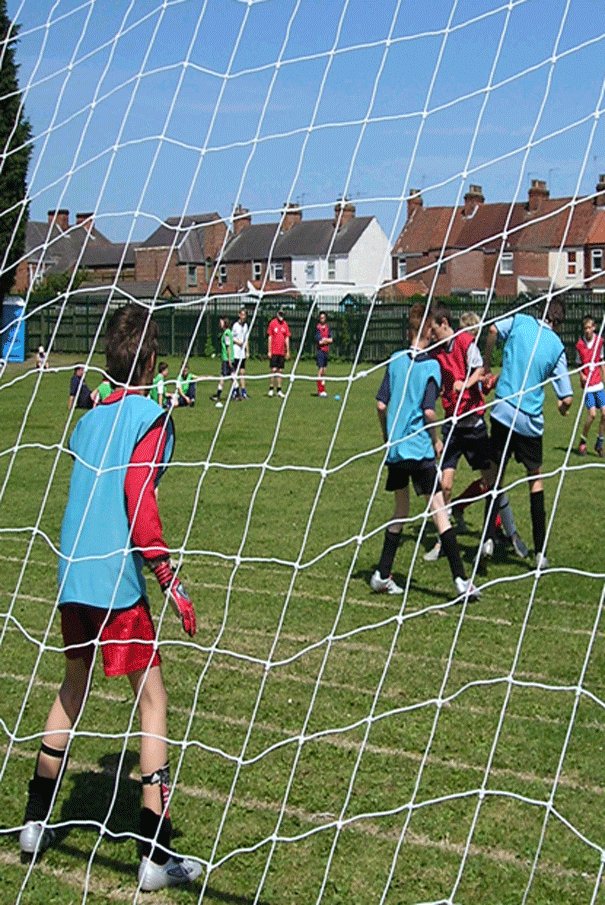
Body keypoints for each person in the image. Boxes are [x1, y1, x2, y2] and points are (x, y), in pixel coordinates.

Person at [19, 305, 201, 892]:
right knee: (153, 699)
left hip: (73, 574)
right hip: (117, 584)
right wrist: (170, 580)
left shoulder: (89, 419)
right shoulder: (152, 418)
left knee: (73, 685)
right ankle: (154, 854)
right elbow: (138, 500)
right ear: (151, 362)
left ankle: (33, 823)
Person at [371, 302, 479, 600]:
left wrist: (386, 433)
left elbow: (381, 404)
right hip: (419, 452)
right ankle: (460, 581)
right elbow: (429, 412)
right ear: (429, 331)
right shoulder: (431, 366)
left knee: (400, 511)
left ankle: (382, 574)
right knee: (439, 513)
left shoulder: (394, 360)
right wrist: (435, 439)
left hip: (396, 452)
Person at [424, 306, 528, 562]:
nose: (433, 335)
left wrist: (465, 385)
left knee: (492, 482)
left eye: (434, 330)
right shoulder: (436, 352)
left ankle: (512, 534)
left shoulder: (465, 342)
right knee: (444, 485)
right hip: (452, 425)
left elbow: (479, 370)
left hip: (473, 425)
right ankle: (442, 542)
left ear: (444, 323)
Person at [482, 300, 573, 570]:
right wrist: (562, 407)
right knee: (535, 480)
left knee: (496, 475)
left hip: (503, 410)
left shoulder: (521, 321)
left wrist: (487, 366)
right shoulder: (556, 347)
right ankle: (540, 553)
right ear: (559, 322)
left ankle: (487, 539)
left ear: (540, 312)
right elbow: (566, 397)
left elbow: (492, 330)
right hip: (529, 421)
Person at [575, 316, 605, 456]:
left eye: (589, 327)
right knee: (592, 414)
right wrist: (582, 375)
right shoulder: (579, 345)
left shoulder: (599, 342)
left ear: (594, 328)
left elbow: (601, 361)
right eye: (585, 328)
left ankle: (599, 443)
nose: (587, 330)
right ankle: (583, 441)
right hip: (588, 386)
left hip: (598, 384)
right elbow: (579, 365)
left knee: (604, 414)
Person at [211, 316, 234, 408]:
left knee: (223, 377)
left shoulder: (227, 333)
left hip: (226, 359)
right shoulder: (226, 333)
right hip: (227, 358)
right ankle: (236, 393)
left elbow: (228, 347)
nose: (220, 324)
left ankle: (218, 394)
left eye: (221, 322)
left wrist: (228, 359)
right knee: (233, 376)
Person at [267, 309, 291, 398]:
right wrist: (269, 350)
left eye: (282, 314)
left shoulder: (285, 324)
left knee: (280, 371)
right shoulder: (272, 323)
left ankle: (279, 390)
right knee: (273, 369)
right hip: (274, 351)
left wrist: (287, 351)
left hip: (281, 351)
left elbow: (287, 338)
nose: (281, 316)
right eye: (280, 314)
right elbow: (270, 337)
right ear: (277, 314)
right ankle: (271, 388)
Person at [231, 307, 250, 400]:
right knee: (234, 372)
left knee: (242, 372)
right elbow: (231, 338)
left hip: (242, 353)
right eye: (242, 315)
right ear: (239, 315)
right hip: (235, 352)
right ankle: (235, 390)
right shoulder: (235, 325)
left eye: (245, 315)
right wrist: (238, 342)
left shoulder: (246, 326)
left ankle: (243, 392)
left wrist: (247, 351)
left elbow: (246, 339)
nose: (243, 317)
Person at [315, 310, 333, 397]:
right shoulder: (317, 328)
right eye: (321, 318)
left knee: (324, 371)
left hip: (326, 351)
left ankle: (323, 389)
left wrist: (325, 340)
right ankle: (319, 390)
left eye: (323, 317)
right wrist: (326, 340)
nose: (322, 319)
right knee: (320, 370)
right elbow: (320, 342)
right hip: (320, 351)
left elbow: (331, 339)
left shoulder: (327, 328)